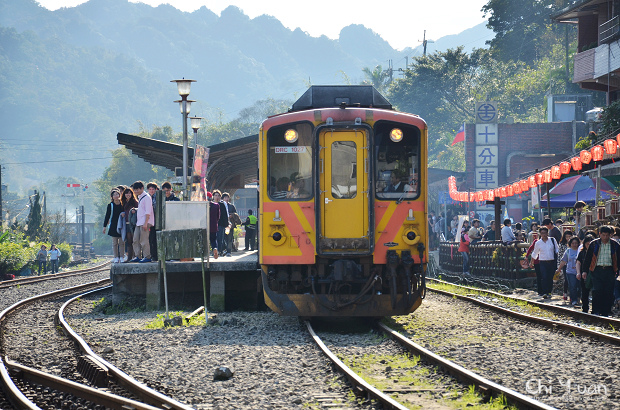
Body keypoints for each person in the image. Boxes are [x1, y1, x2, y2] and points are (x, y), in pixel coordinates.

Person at [582, 225, 620, 316]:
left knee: (608, 291)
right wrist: (585, 271)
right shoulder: (594, 244)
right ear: (599, 234)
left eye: (607, 235)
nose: (605, 237)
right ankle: (595, 310)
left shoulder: (615, 245)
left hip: (610, 270)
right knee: (597, 290)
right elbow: (588, 259)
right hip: (596, 270)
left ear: (610, 235)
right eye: (603, 235)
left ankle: (605, 312)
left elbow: (619, 259)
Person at [530, 226, 559, 299]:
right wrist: (531, 262)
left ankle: (549, 291)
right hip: (543, 262)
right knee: (544, 277)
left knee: (550, 277)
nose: (544, 234)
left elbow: (557, 250)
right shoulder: (538, 243)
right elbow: (535, 253)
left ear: (547, 233)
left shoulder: (552, 240)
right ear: (540, 234)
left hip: (551, 261)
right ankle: (544, 292)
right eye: (542, 233)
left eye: (545, 233)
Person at [130, 181, 153, 263]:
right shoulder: (140, 197)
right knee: (135, 240)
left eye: (137, 189)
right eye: (134, 190)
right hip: (139, 222)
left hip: (145, 222)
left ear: (142, 188)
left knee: (144, 240)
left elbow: (148, 211)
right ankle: (138, 256)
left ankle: (147, 256)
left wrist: (146, 223)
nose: (136, 191)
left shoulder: (147, 197)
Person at [557, 237, 581, 307]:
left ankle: (578, 297)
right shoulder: (568, 251)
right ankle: (573, 300)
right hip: (570, 271)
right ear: (570, 244)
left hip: (579, 271)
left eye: (576, 243)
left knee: (579, 286)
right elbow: (563, 261)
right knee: (572, 286)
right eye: (573, 243)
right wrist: (559, 269)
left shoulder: (580, 250)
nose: (574, 245)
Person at [103, 189, 125, 263]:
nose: (116, 196)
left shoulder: (123, 204)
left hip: (121, 225)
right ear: (112, 196)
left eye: (117, 194)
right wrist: (104, 226)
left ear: (119, 195)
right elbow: (107, 216)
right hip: (113, 225)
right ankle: (116, 257)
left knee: (122, 242)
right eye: (114, 195)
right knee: (115, 243)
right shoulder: (110, 205)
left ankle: (121, 256)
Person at [576, 235, 594, 313]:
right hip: (584, 274)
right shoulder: (582, 253)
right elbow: (578, 262)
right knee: (585, 291)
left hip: (594, 274)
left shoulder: (596, 253)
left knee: (595, 291)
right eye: (587, 244)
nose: (589, 246)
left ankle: (595, 308)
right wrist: (578, 272)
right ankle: (585, 307)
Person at [121, 187, 138, 262]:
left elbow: (139, 210)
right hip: (126, 224)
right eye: (126, 193)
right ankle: (129, 257)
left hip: (133, 224)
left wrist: (135, 211)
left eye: (129, 193)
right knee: (128, 241)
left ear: (132, 194)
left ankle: (135, 256)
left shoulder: (134, 202)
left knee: (134, 240)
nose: (128, 194)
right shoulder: (123, 202)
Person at [222, 192, 237, 257]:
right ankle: (223, 250)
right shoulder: (221, 205)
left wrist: (232, 215)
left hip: (230, 225)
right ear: (223, 198)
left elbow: (235, 214)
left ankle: (228, 251)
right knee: (222, 238)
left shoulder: (231, 206)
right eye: (225, 197)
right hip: (223, 224)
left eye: (227, 197)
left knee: (229, 239)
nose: (226, 199)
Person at [147, 182, 159, 261]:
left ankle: (155, 255)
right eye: (150, 189)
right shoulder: (146, 197)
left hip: (156, 220)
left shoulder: (158, 197)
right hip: (148, 220)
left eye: (153, 189)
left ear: (156, 189)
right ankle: (151, 255)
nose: (151, 191)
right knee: (149, 239)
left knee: (154, 239)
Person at [207, 191, 220, 258]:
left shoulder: (202, 205)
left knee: (205, 240)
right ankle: (215, 248)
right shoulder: (216, 205)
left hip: (204, 226)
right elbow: (218, 217)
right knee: (213, 240)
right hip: (213, 226)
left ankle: (206, 254)